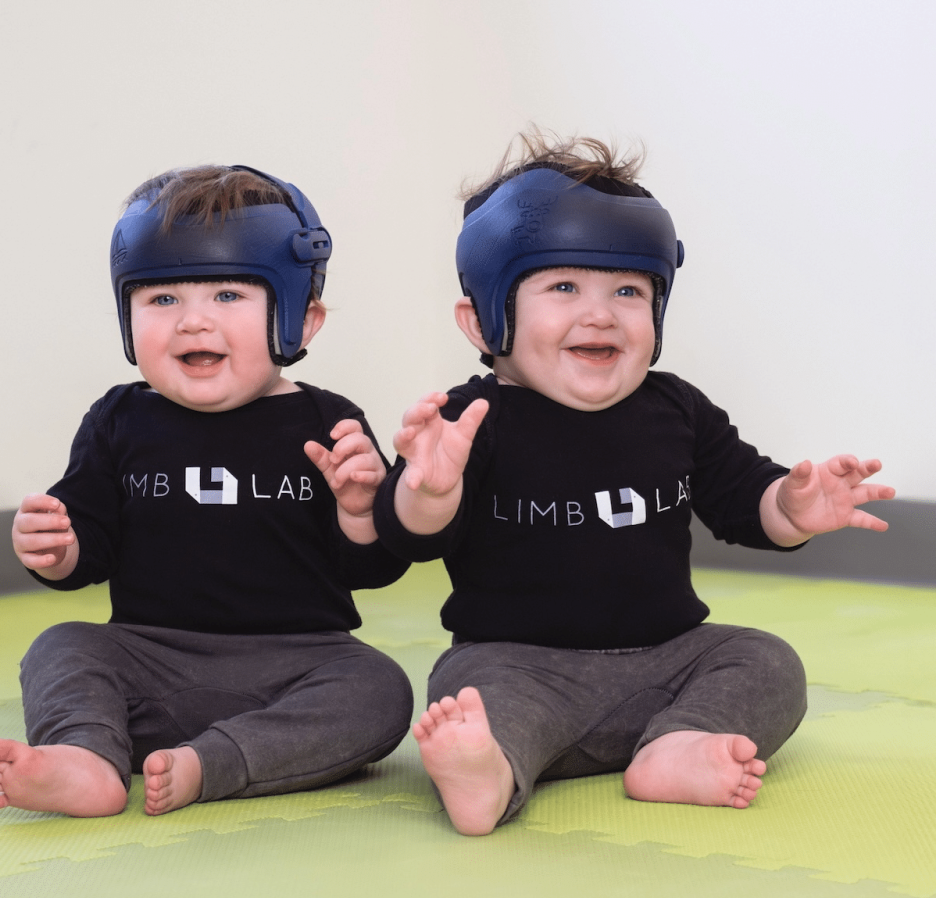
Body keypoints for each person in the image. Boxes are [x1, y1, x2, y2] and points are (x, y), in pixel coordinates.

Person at [374, 134, 895, 836]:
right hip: (521, 668)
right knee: (467, 692)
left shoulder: (675, 408)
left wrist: (792, 506)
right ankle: (492, 772)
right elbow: (407, 534)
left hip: (665, 664)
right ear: (485, 317)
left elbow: (743, 500)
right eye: (564, 287)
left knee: (766, 659)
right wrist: (430, 490)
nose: (601, 314)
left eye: (628, 290)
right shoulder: (470, 421)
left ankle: (675, 745)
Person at [0, 165, 413, 818]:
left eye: (228, 295)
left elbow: (373, 568)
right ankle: (85, 756)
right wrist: (56, 549)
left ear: (300, 319)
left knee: (380, 688)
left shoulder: (328, 422)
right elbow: (88, 547)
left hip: (296, 665)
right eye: (162, 299)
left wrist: (360, 512)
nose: (192, 322)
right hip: (147, 662)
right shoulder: (118, 419)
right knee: (61, 645)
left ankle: (213, 764)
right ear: (127, 315)